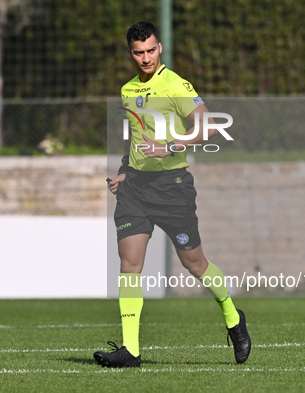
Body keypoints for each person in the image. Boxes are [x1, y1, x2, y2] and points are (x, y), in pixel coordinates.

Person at [93, 21, 251, 368]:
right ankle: (131, 351)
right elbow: (132, 135)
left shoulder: (176, 84)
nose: (145, 58)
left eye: (151, 50)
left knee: (194, 263)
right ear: (131, 53)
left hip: (172, 188)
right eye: (139, 52)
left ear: (159, 48)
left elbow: (209, 125)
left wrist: (170, 146)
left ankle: (233, 317)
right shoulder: (127, 89)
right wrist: (124, 169)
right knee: (129, 264)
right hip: (135, 188)